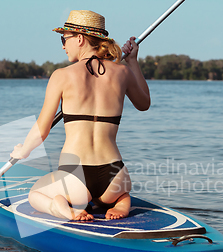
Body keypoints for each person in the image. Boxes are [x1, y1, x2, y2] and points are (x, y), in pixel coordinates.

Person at [10, 10, 150, 221]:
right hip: (115, 175)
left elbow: (42, 127)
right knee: (119, 193)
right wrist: (132, 61)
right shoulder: (122, 72)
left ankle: (65, 208)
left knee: (35, 194)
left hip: (75, 176)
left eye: (64, 39)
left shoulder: (61, 76)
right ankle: (121, 201)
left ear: (80, 39)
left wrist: (23, 150)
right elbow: (144, 104)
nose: (64, 46)